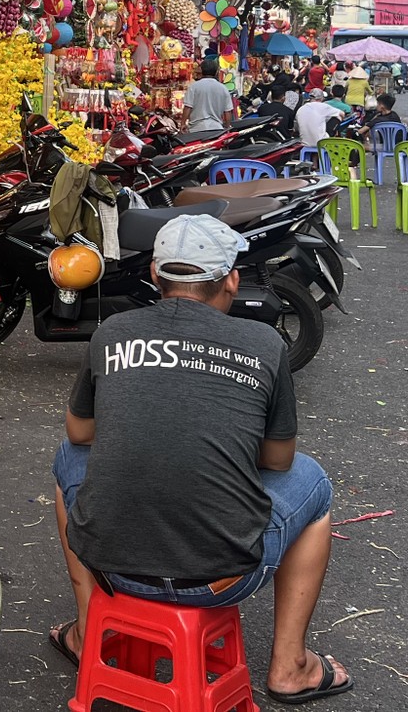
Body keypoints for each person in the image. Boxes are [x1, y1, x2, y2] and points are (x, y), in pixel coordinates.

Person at [48, 215, 348, 705]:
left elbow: (79, 432)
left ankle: (88, 634)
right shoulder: (264, 343)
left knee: (69, 459)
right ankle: (291, 665)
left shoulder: (113, 332)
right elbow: (278, 460)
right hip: (220, 579)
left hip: (111, 568)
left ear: (153, 275)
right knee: (312, 481)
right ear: (231, 279)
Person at [184, 57, 236, 135]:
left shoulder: (194, 87)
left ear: (202, 71)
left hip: (196, 130)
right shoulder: (223, 88)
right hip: (216, 129)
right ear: (216, 72)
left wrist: (182, 123)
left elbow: (188, 107)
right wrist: (227, 127)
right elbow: (227, 112)